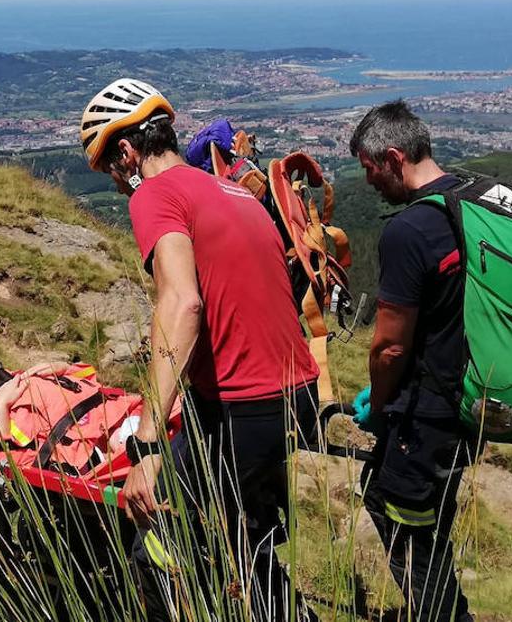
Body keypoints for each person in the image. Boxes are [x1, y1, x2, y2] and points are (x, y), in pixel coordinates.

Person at [80, 79, 320, 622]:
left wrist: (146, 447)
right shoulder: (234, 190)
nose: (118, 186)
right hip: (295, 397)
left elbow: (183, 303)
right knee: (247, 543)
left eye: (110, 172)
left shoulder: (155, 194)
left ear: (126, 151)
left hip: (243, 407)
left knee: (156, 544)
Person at [349, 100, 478, 622]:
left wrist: (378, 406)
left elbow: (390, 346)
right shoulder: (470, 203)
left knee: (399, 514)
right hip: (468, 399)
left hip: (425, 415)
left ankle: (446, 616)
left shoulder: (409, 231)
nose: (369, 182)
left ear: (394, 157)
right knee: (422, 515)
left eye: (370, 168)